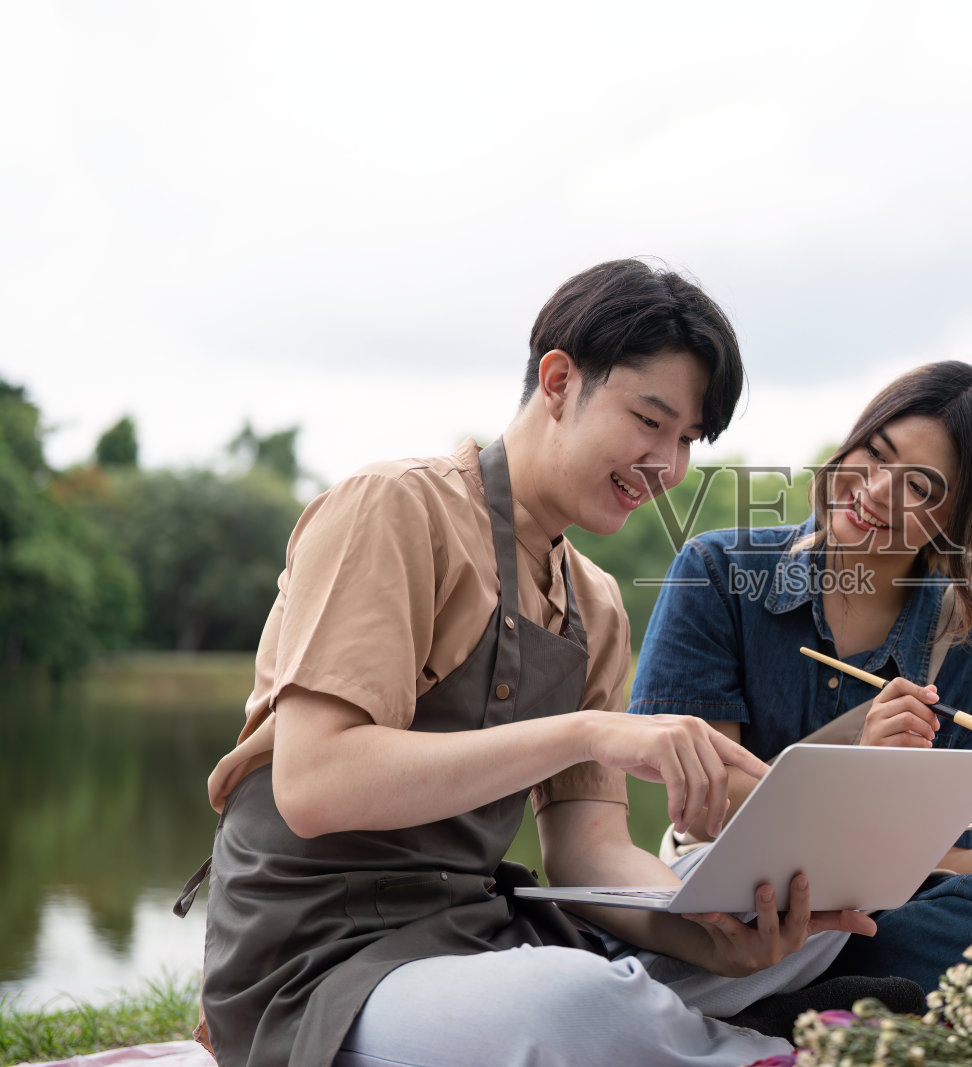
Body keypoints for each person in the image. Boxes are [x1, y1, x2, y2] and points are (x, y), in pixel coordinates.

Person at [179, 260, 915, 1067]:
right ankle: (776, 1048)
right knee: (577, 999)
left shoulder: (594, 602)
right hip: (318, 965)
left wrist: (706, 926)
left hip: (477, 940)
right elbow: (315, 784)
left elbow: (586, 850)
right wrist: (586, 732)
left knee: (788, 928)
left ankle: (729, 1021)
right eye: (649, 419)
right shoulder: (394, 508)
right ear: (559, 380)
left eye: (687, 441)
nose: (667, 467)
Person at [627, 360, 972, 992]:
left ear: (962, 522)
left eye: (921, 489)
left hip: (874, 924)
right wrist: (850, 759)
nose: (873, 491)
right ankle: (841, 1012)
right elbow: (705, 809)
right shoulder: (717, 571)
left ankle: (798, 1014)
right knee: (713, 919)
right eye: (875, 454)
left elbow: (958, 865)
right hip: (733, 901)